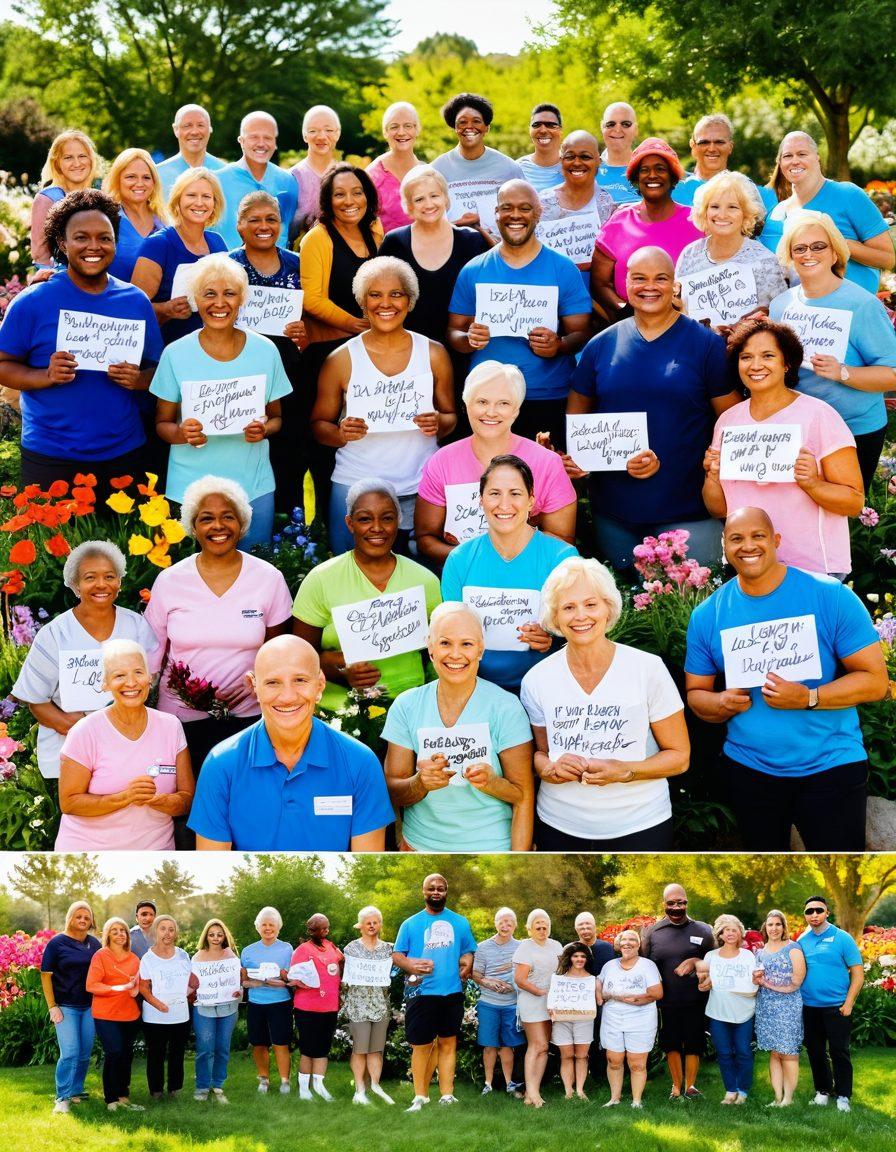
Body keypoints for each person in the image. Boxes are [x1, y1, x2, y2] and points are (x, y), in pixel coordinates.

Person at [685, 506, 888, 850]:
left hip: (831, 765)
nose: (748, 546)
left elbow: (874, 680)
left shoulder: (829, 595)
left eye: (758, 536)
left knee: (840, 865)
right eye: (736, 538)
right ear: (724, 547)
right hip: (750, 769)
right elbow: (696, 693)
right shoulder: (708, 614)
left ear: (776, 541)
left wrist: (809, 698)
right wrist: (720, 704)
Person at [567, 246, 740, 570]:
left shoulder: (705, 344)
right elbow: (577, 415)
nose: (649, 286)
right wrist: (581, 457)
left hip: (689, 511)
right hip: (615, 514)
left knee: (686, 607)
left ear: (675, 285)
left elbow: (734, 421)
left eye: (660, 278)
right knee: (629, 607)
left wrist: (716, 468)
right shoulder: (601, 345)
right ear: (625, 283)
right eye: (639, 278)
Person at [0, 189, 163, 497]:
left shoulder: (135, 301)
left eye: (105, 237)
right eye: (81, 237)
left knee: (126, 544)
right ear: (62, 243)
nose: (94, 246)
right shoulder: (33, 301)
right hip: (51, 455)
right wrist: (43, 376)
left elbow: (160, 369)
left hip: (124, 453)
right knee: (53, 545)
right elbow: (2, 365)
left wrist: (139, 379)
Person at [521, 555, 689, 850]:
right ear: (554, 616)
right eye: (568, 607)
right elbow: (541, 753)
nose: (580, 616)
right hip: (560, 825)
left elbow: (679, 757)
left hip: (641, 823)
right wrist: (548, 769)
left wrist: (625, 771)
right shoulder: (536, 679)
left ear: (608, 607)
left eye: (590, 604)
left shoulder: (647, 669)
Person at [145, 477, 293, 780]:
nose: (218, 526)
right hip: (181, 720)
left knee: (247, 805)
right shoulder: (170, 581)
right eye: (206, 518)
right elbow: (152, 654)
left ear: (242, 523)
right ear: (192, 526)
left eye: (228, 516)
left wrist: (260, 683)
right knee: (189, 807)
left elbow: (279, 653)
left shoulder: (268, 578)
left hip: (250, 718)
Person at [189, 635, 395, 850]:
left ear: (320, 684)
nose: (287, 696)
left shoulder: (360, 762)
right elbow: (213, 868)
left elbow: (366, 866)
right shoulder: (221, 764)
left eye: (300, 680)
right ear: (254, 686)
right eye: (272, 682)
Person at [309, 254, 455, 554]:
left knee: (419, 575)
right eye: (374, 295)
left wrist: (439, 422)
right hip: (354, 486)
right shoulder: (341, 359)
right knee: (351, 575)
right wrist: (339, 433)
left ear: (410, 300)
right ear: (362, 302)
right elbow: (318, 425)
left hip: (420, 485)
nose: (385, 303)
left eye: (396, 294)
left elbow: (452, 415)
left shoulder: (434, 354)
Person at [150, 253, 292, 547]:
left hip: (253, 486)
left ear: (242, 298)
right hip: (191, 490)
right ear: (195, 300)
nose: (219, 303)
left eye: (229, 293)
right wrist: (180, 433)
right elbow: (162, 423)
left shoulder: (265, 351)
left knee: (255, 572)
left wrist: (264, 429)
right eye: (209, 294)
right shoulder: (175, 354)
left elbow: (277, 417)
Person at [704, 316, 863, 577]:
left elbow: (854, 502)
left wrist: (812, 483)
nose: (756, 365)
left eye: (768, 356)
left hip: (812, 569)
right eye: (746, 357)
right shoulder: (728, 421)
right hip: (751, 569)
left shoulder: (819, 415)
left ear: (786, 363)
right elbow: (719, 509)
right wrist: (712, 476)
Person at [448, 179, 592, 445]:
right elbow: (453, 331)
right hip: (487, 399)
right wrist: (468, 340)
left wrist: (558, 344)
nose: (515, 215)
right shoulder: (473, 270)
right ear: (496, 213)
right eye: (507, 208)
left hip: (547, 395)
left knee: (543, 481)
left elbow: (582, 332)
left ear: (538, 213)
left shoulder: (563, 269)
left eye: (524, 208)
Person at [383, 602, 535, 851]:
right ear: (430, 649)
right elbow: (392, 791)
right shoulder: (406, 706)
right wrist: (420, 783)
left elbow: (523, 796)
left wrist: (492, 783)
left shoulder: (506, 707)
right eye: (445, 643)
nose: (455, 654)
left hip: (491, 848)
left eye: (466, 644)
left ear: (480, 650)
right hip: (422, 846)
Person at [770, 210, 896, 493]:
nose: (808, 254)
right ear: (790, 256)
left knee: (844, 515)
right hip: (799, 430)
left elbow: (893, 374)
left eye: (818, 246)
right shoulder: (781, 305)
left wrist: (843, 372)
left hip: (854, 430)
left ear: (835, 253)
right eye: (799, 248)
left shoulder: (861, 305)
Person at [11, 540, 158, 781]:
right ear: (75, 585)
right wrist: (76, 728)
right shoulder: (55, 634)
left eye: (109, 576)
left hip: (129, 748)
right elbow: (36, 700)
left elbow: (151, 683)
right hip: (70, 752)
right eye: (90, 577)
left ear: (119, 581)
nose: (101, 584)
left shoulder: (137, 626)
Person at [292, 479, 441, 712]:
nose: (377, 527)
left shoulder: (424, 580)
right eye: (364, 519)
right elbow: (299, 658)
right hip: (342, 708)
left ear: (399, 522)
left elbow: (441, 651)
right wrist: (341, 669)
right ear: (349, 524)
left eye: (387, 518)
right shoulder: (321, 579)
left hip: (413, 703)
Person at [415, 359, 577, 566]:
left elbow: (562, 541)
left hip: (529, 576)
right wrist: (473, 559)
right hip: (464, 575)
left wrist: (509, 557)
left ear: (516, 410)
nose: (491, 412)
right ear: (466, 405)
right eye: (482, 402)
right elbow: (426, 538)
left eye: (504, 403)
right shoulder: (441, 462)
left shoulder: (547, 463)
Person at [441, 455, 578, 693]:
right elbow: (448, 634)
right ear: (481, 500)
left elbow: (581, 629)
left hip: (547, 687)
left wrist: (552, 637)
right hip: (475, 688)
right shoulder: (459, 560)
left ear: (531, 501)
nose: (504, 504)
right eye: (494, 493)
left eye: (515, 493)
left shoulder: (562, 558)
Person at [56, 639, 194, 850]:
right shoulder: (85, 732)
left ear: (150, 678)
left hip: (155, 855)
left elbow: (187, 799)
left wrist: (158, 801)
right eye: (119, 675)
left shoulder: (171, 726)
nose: (131, 683)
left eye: (138, 672)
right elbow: (69, 803)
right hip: (89, 857)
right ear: (105, 683)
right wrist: (125, 797)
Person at [299, 162, 383, 507]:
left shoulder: (375, 232)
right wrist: (352, 324)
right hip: (327, 352)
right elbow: (311, 297)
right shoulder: (317, 238)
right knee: (328, 441)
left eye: (357, 192)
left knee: (361, 433)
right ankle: (325, 521)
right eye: (339, 194)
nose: (349, 200)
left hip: (367, 352)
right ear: (327, 200)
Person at [229, 190, 309, 515]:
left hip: (289, 373)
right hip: (240, 373)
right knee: (246, 453)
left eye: (271, 219)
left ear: (281, 224)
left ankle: (291, 538)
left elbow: (311, 317)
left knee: (290, 455)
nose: (264, 225)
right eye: (255, 219)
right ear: (239, 226)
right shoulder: (228, 266)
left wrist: (304, 331)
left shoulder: (298, 264)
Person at [377, 164, 491, 366]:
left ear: (446, 199)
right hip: (408, 352)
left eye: (434, 196)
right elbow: (380, 296)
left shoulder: (472, 242)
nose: (428, 204)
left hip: (464, 351)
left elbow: (488, 296)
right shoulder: (394, 242)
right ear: (408, 207)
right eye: (419, 199)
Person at [758, 131, 894, 293]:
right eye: (788, 156)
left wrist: (840, 243)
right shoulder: (777, 214)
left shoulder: (848, 194)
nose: (795, 161)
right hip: (801, 311)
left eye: (802, 154)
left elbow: (887, 259)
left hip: (851, 308)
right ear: (780, 163)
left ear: (817, 157)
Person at [590, 137, 702, 319]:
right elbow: (600, 284)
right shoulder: (618, 223)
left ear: (673, 176)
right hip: (629, 324)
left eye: (660, 169)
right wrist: (625, 311)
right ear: (636, 178)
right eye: (644, 170)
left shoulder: (697, 222)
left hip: (686, 324)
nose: (652, 175)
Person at [392, 874, 477, 1112]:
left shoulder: (460, 922)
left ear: (446, 892)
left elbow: (469, 950)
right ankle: (420, 1096)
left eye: (440, 888)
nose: (436, 892)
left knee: (448, 1043)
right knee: (421, 1045)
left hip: (451, 992)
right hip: (421, 993)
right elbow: (397, 955)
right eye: (431, 888)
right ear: (424, 892)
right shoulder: (410, 924)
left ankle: (447, 1095)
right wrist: (411, 964)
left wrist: (467, 960)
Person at [675, 171, 788, 329]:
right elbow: (678, 309)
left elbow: (778, 319)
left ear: (746, 214)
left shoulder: (765, 260)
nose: (722, 215)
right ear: (704, 212)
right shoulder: (689, 254)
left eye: (732, 207)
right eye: (715, 206)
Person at [131, 167, 228, 346]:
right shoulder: (157, 245)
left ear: (215, 203)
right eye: (191, 195)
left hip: (213, 348)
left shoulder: (218, 243)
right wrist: (165, 310)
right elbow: (133, 308)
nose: (199, 203)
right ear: (177, 200)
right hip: (167, 350)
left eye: (206, 197)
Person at [640, 884, 714, 1100]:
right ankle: (675, 1085)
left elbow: (714, 961)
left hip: (696, 1000)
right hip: (667, 1002)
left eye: (680, 902)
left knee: (694, 1043)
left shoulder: (703, 930)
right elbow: (645, 966)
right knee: (671, 1043)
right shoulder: (652, 932)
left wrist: (696, 961)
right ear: (664, 904)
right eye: (671, 903)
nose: (676, 907)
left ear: (686, 902)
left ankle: (691, 1086)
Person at [799, 895, 864, 1113]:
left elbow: (858, 973)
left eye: (819, 910)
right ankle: (823, 1091)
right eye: (809, 911)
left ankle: (843, 1095)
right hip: (809, 1006)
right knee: (815, 1051)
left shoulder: (842, 938)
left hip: (837, 1006)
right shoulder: (802, 940)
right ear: (805, 915)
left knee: (839, 1051)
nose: (814, 914)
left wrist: (849, 1003)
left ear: (827, 912)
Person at [40, 901, 101, 1114]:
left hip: (90, 1007)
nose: (83, 920)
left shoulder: (94, 944)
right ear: (70, 918)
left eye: (87, 917)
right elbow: (46, 976)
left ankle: (76, 1090)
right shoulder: (57, 943)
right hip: (65, 1006)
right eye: (79, 916)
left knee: (84, 1052)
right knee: (70, 1052)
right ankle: (62, 1097)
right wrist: (52, 1006)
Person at [431, 92, 524, 230]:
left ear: (487, 127)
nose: (469, 127)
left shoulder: (509, 168)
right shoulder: (436, 170)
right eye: (462, 122)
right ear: (455, 128)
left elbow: (526, 208)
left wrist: (483, 219)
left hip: (499, 246)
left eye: (476, 121)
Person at [597, 928, 663, 1109]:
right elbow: (598, 984)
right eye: (623, 939)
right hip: (613, 1018)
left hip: (640, 1019)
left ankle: (636, 1101)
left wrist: (636, 1000)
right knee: (614, 1060)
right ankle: (614, 1098)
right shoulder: (609, 965)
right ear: (618, 945)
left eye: (632, 939)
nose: (627, 942)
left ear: (639, 944)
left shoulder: (647, 965)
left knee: (637, 1063)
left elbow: (657, 993)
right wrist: (600, 993)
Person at [538, 131, 615, 284]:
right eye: (570, 156)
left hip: (597, 291)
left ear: (598, 161)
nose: (577, 163)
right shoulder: (542, 203)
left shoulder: (607, 206)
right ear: (561, 160)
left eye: (585, 157)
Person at [696, 914, 758, 1104]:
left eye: (734, 930)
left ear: (740, 933)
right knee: (723, 1053)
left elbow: (754, 984)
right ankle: (730, 1090)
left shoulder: (748, 956)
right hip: (718, 1012)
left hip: (744, 1012)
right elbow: (704, 983)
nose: (730, 933)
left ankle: (743, 1090)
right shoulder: (711, 956)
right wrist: (703, 980)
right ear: (720, 934)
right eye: (726, 930)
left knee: (743, 1052)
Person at [86, 917, 144, 1112]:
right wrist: (119, 987)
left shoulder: (134, 959)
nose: (120, 934)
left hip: (130, 1014)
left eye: (123, 931)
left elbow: (138, 986)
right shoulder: (100, 956)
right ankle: (111, 1099)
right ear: (107, 935)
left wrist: (135, 988)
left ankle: (123, 1096)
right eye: (115, 931)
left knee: (126, 1055)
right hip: (106, 1014)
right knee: (114, 1052)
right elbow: (91, 985)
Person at [216, 111, 297, 250]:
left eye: (267, 138)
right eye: (254, 137)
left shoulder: (288, 181)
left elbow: (289, 229)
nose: (261, 143)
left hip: (278, 267)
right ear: (241, 141)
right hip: (228, 267)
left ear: (275, 143)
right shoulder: (218, 180)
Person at [341, 905, 395, 1105]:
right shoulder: (351, 949)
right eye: (368, 923)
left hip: (380, 1005)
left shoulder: (389, 949)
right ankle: (359, 1091)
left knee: (375, 1050)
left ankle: (375, 1085)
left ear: (380, 924)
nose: (372, 926)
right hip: (358, 1005)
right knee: (360, 1049)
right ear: (360, 926)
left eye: (375, 922)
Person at [288, 914, 344, 1101]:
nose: (325, 931)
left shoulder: (331, 946)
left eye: (327, 927)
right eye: (320, 928)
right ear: (311, 930)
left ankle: (319, 1086)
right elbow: (293, 977)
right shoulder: (302, 950)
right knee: (308, 1048)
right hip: (307, 1006)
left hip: (330, 1005)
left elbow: (340, 963)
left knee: (323, 1047)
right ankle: (304, 1089)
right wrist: (300, 982)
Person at [138, 914, 194, 1101]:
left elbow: (190, 981)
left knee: (177, 1053)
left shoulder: (183, 955)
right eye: (163, 929)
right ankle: (156, 1092)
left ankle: (175, 1090)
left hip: (180, 1014)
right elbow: (143, 988)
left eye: (171, 929)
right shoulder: (147, 958)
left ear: (175, 933)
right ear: (155, 932)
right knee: (156, 1055)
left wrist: (187, 993)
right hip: (155, 1016)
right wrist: (158, 1004)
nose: (167, 933)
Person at [754, 909, 806, 1108]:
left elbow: (796, 983)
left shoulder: (793, 948)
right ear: (765, 928)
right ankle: (777, 1098)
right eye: (770, 925)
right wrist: (756, 980)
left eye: (778, 924)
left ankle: (788, 1099)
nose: (774, 928)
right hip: (766, 1007)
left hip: (788, 1007)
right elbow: (758, 978)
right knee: (775, 1053)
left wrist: (767, 985)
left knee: (789, 1052)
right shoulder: (760, 951)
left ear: (784, 927)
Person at [512, 908, 564, 1108]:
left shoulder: (556, 945)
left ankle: (531, 1092)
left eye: (545, 926)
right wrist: (540, 992)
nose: (542, 930)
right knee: (536, 1045)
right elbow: (519, 979)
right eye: (538, 927)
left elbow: (562, 972)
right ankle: (532, 1091)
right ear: (530, 929)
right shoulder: (526, 947)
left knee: (544, 1047)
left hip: (551, 1002)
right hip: (532, 1001)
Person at [240, 907, 294, 1095]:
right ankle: (263, 1079)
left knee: (281, 1042)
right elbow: (243, 981)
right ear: (258, 927)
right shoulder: (248, 951)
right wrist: (251, 983)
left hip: (280, 1003)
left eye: (272, 924)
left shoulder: (287, 949)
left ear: (278, 927)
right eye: (264, 924)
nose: (268, 928)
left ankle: (285, 1081)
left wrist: (280, 981)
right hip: (256, 1003)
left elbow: (290, 978)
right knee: (259, 1043)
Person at [471, 907, 525, 1097]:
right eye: (501, 921)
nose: (505, 925)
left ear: (515, 925)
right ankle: (488, 1084)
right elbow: (476, 974)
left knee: (507, 1045)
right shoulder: (483, 947)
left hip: (512, 1003)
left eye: (509, 922)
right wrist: (488, 982)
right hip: (489, 1003)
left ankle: (510, 1083)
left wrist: (514, 987)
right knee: (489, 1045)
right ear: (495, 924)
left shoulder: (522, 947)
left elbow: (527, 974)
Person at [30, 129, 102, 267]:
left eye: (82, 156)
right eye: (68, 157)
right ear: (57, 163)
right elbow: (40, 255)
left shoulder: (97, 196)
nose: (77, 163)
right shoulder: (47, 198)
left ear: (91, 160)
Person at [192, 918, 242, 1103]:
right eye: (211, 934)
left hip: (228, 1008)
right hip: (204, 1008)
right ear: (206, 936)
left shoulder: (232, 958)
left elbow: (238, 984)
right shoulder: (197, 958)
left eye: (219, 935)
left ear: (224, 937)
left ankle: (218, 1085)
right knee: (205, 1048)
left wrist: (239, 991)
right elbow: (192, 985)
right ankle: (202, 1086)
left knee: (222, 1048)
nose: (215, 938)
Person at [102, 148, 167, 282]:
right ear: (117, 179)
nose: (139, 183)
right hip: (116, 300)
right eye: (131, 177)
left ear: (154, 182)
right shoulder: (105, 218)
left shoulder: (165, 221)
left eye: (146, 177)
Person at [672, 114, 760, 208]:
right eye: (704, 142)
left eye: (719, 142)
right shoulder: (676, 189)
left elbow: (758, 221)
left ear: (730, 147)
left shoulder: (745, 187)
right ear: (693, 146)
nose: (712, 149)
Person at [550, 942, 598, 1101]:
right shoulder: (558, 980)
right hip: (562, 1020)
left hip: (584, 1020)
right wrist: (551, 1008)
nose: (579, 959)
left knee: (582, 1056)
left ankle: (580, 1090)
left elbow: (600, 1002)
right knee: (567, 1055)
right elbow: (551, 1001)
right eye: (576, 956)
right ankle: (568, 1090)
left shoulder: (593, 980)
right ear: (569, 958)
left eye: (583, 956)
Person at [367, 102, 422, 233]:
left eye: (408, 126)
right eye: (394, 127)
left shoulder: (426, 173)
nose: (401, 132)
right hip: (384, 251)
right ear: (385, 132)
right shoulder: (371, 176)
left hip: (426, 250)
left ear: (417, 129)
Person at [291, 104, 342, 239]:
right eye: (313, 131)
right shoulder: (292, 176)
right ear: (304, 135)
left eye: (328, 130)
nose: (321, 136)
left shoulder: (346, 176)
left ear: (337, 134)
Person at [156, 103, 226, 197]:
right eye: (187, 126)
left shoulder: (225, 172)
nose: (194, 132)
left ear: (209, 128)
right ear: (175, 129)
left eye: (200, 125)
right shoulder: (157, 175)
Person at [597, 102, 639, 205]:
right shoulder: (587, 171)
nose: (617, 130)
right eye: (611, 124)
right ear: (602, 127)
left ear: (636, 129)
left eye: (625, 124)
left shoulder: (650, 172)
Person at [516, 103, 564, 192]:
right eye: (537, 125)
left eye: (550, 125)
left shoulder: (573, 167)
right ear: (529, 129)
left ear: (560, 130)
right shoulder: (517, 169)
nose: (543, 130)